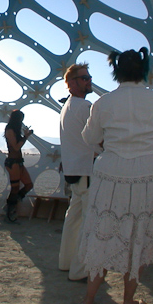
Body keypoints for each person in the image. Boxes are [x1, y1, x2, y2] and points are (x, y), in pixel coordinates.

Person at [78, 48, 153, 304]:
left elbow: (89, 138)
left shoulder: (104, 102)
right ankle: (128, 302)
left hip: (111, 170)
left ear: (116, 71)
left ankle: (88, 300)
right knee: (140, 235)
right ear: (143, 70)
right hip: (149, 171)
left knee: (104, 230)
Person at [58, 63, 100, 281]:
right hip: (86, 171)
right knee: (87, 221)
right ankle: (80, 270)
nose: (89, 80)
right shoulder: (85, 107)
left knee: (73, 218)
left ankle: (66, 262)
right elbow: (96, 139)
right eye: (84, 78)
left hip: (74, 171)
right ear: (72, 83)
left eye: (89, 77)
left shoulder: (67, 107)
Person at [3, 109, 34, 223]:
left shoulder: (15, 130)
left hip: (19, 161)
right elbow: (16, 147)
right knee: (15, 188)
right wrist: (26, 137)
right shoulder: (10, 130)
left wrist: (24, 136)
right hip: (13, 162)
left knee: (28, 185)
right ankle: (10, 211)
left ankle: (12, 204)